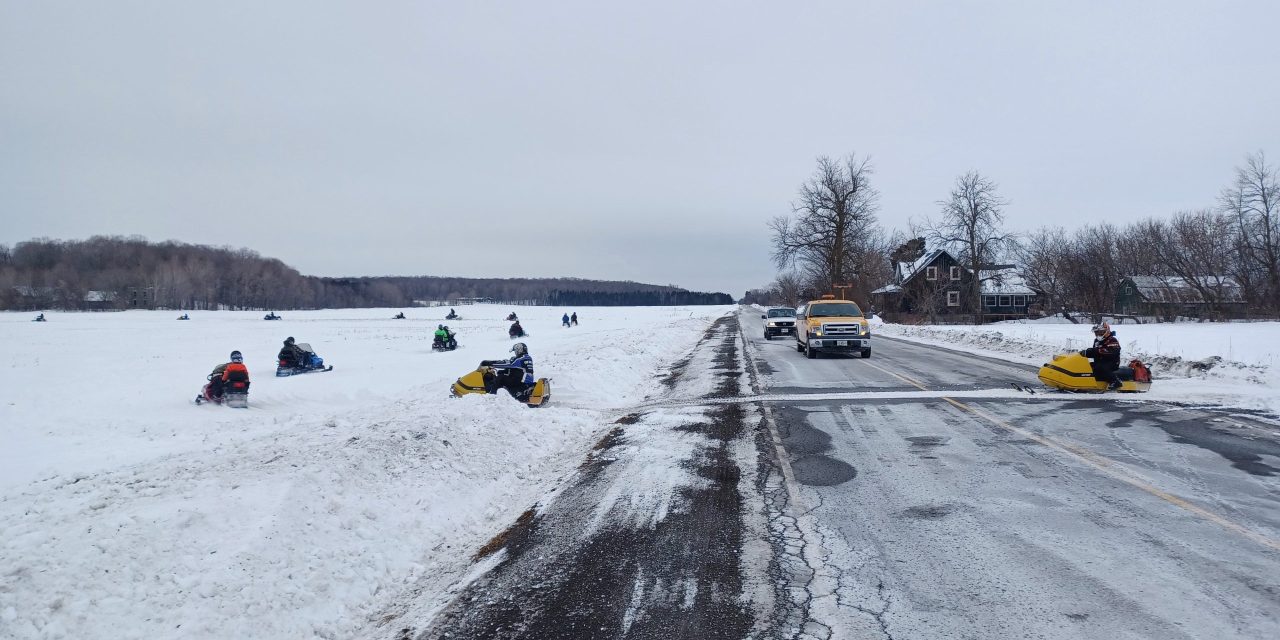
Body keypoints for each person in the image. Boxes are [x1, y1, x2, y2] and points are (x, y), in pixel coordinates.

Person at [1082, 322, 1122, 390]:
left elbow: (1112, 352)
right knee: (1087, 366)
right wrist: (1086, 353)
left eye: (1100, 332)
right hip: (1100, 362)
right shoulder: (1097, 341)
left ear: (1106, 331)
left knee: (1101, 367)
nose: (1098, 334)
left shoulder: (1112, 340)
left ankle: (1115, 382)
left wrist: (1096, 351)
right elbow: (1095, 352)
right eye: (1096, 332)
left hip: (1112, 362)